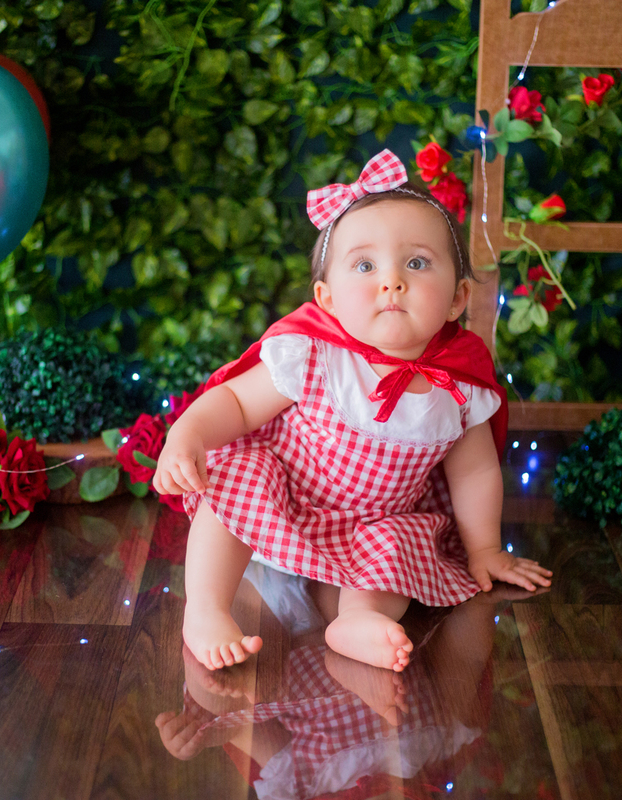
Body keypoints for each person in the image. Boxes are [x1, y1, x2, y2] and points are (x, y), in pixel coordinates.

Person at [153, 150, 552, 673]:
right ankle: (206, 609)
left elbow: (475, 470)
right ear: (328, 299)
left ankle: (357, 619)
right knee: (236, 473)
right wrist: (186, 435)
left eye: (416, 262)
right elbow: (234, 402)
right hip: (283, 503)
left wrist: (483, 549)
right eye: (365, 265)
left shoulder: (459, 387)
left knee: (401, 544)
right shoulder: (314, 358)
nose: (393, 281)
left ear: (456, 300)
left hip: (373, 524)